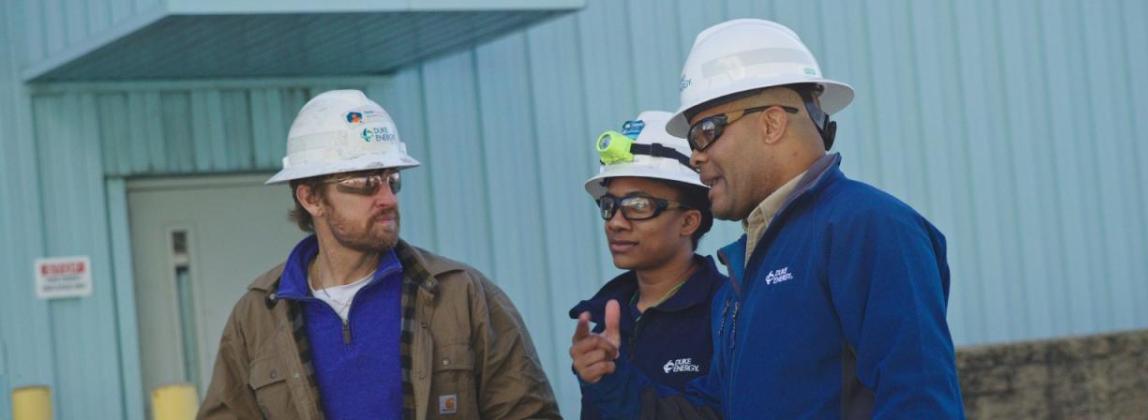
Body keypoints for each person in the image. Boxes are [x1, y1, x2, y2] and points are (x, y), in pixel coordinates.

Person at [570, 19, 965, 418]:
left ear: (772, 123)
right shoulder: (746, 270)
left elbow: (919, 401)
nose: (695, 156)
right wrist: (612, 381)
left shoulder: (867, 227)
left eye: (706, 131)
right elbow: (713, 412)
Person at [199, 89, 560, 419]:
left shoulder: (462, 296)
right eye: (365, 183)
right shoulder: (259, 315)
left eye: (392, 179)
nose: (387, 198)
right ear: (310, 198)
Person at [569, 111, 727, 420]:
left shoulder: (726, 313)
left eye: (638, 206)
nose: (615, 223)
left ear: (689, 221)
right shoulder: (605, 322)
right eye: (609, 206)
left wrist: (615, 383)